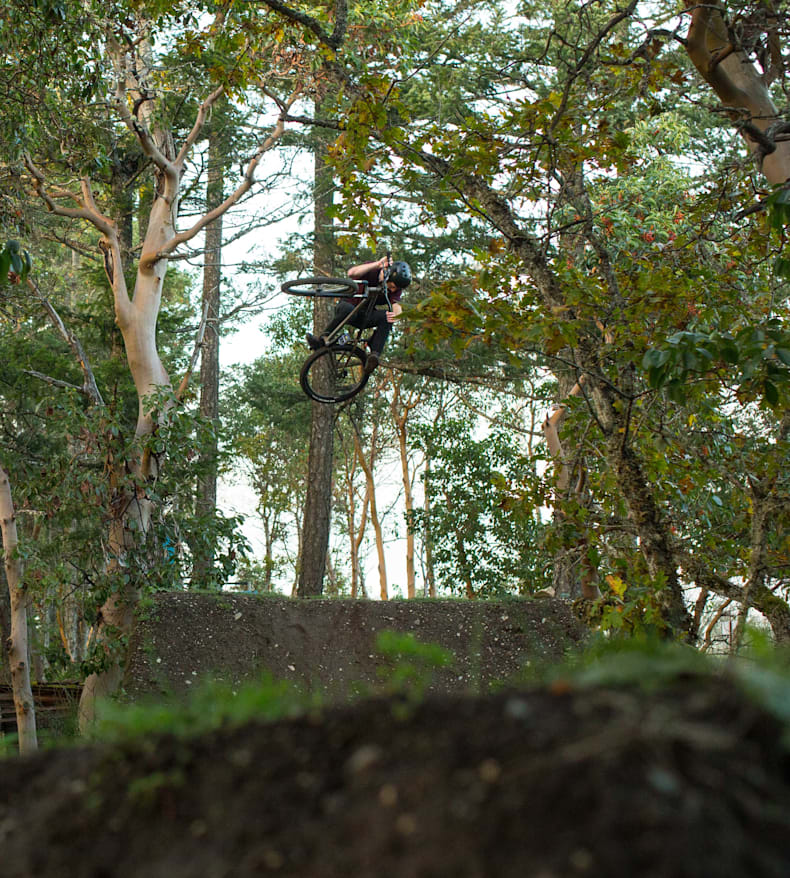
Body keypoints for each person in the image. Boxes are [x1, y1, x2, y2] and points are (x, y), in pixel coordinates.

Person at [306, 255, 412, 373]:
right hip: (348, 307)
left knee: (386, 317)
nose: (392, 290)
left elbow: (397, 305)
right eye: (392, 286)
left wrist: (396, 316)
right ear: (388, 276)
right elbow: (352, 273)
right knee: (348, 309)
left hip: (364, 315)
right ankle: (322, 340)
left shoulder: (396, 289)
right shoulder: (372, 269)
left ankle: (374, 354)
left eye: (395, 289)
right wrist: (377, 264)